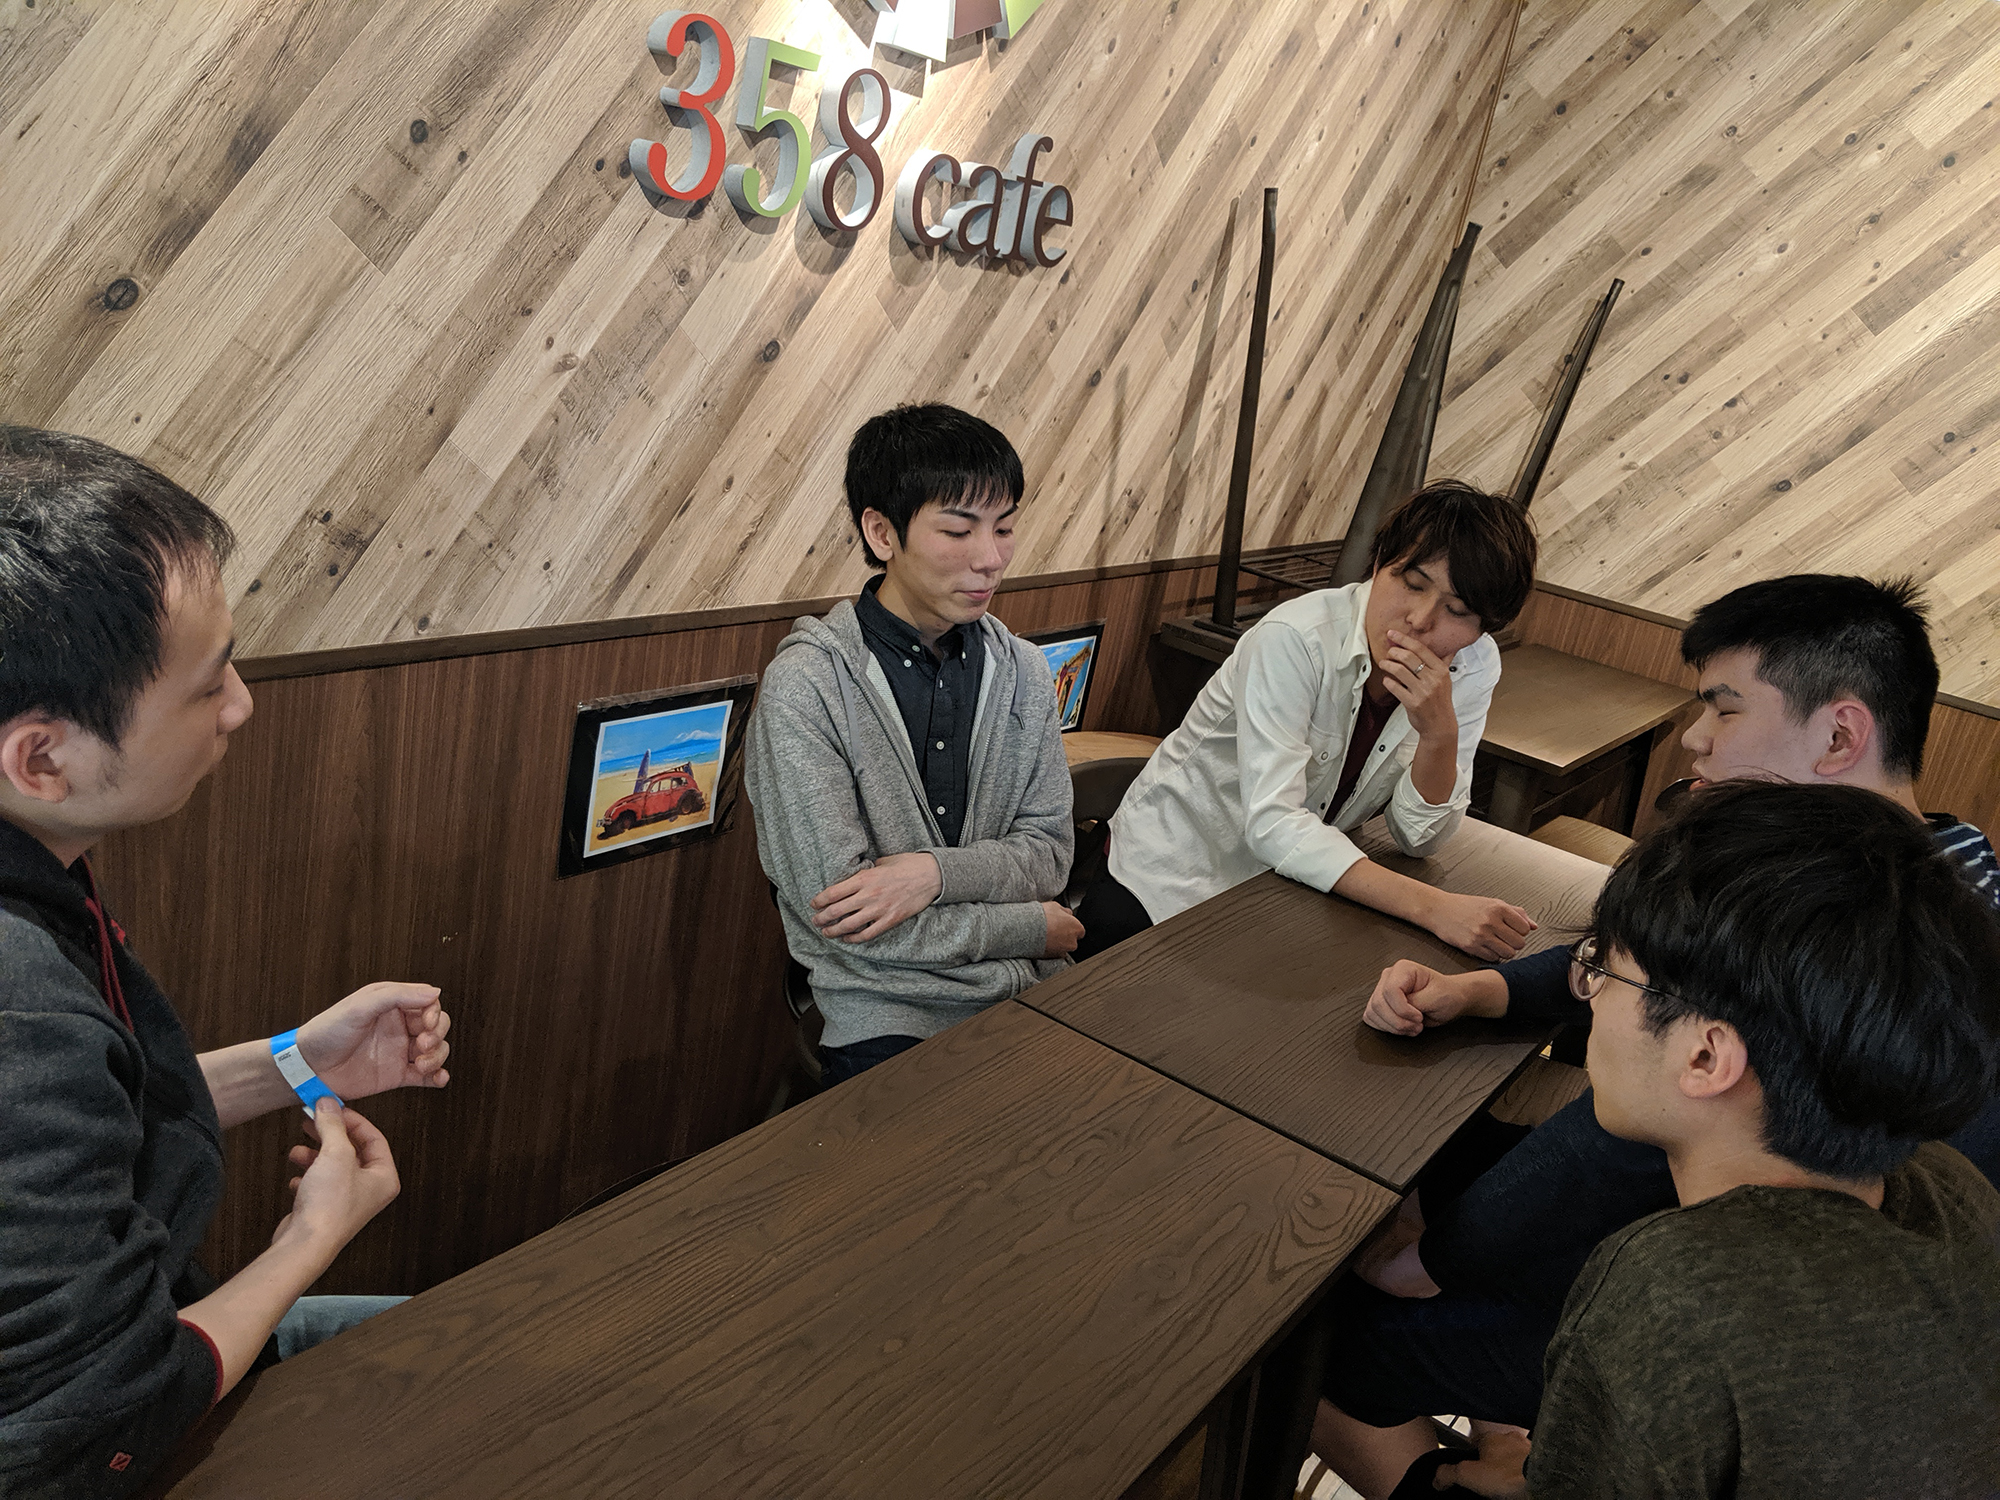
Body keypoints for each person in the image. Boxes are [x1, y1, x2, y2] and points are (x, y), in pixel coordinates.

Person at [1318, 574, 2000, 1495]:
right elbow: (1660, 970)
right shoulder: (1914, 877)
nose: (1695, 738)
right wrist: (1482, 991)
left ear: (1841, 735)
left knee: (1331, 1329)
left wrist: (1433, 1262)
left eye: (1725, 708)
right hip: (1749, 1272)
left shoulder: (1672, 1284)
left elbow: (1637, 1137)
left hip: (1753, 1300)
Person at [0, 427, 453, 1499]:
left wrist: (298, 1062)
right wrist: (311, 1237)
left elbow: (84, 1122)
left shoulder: (40, 870)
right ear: (42, 758)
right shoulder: (20, 1006)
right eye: (207, 686)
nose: (241, 704)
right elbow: (93, 1428)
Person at [745, 405, 1078, 1086]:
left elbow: (1049, 856)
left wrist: (931, 875)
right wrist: (1028, 928)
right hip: (888, 1010)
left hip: (1039, 989)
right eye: (958, 530)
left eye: (1004, 527)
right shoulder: (808, 686)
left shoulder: (1022, 668)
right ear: (882, 532)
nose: (991, 558)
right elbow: (849, 920)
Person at [1072, 481, 1540, 963]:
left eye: (1457, 610)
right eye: (1412, 584)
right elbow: (1274, 822)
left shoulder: (1472, 666)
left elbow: (1418, 838)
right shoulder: (1295, 639)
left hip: (1278, 893)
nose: (1421, 620)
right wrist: (1434, 908)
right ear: (1379, 564)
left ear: (1484, 628)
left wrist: (1439, 735)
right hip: (1167, 882)